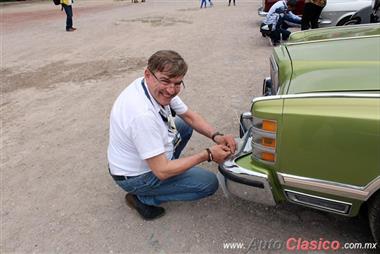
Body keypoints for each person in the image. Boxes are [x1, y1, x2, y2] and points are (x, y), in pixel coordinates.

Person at [107, 50, 236, 220]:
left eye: (177, 83)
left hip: (139, 160)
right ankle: (143, 197)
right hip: (135, 177)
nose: (171, 90)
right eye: (166, 81)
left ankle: (170, 167)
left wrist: (217, 136)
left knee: (184, 126)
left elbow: (189, 116)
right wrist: (209, 154)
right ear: (148, 74)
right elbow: (160, 171)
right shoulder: (142, 116)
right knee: (208, 184)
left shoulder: (151, 87)